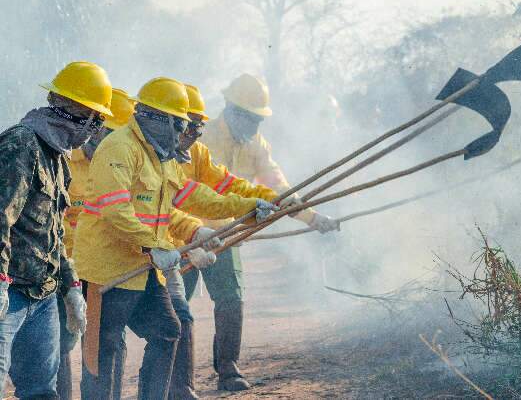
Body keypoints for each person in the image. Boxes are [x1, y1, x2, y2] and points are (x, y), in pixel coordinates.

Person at [73, 77, 278, 400]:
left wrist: (248, 207)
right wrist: (155, 245)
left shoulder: (159, 156)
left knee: (168, 330)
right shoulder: (119, 148)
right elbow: (115, 213)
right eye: (180, 124)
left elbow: (194, 198)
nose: (184, 134)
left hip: (143, 270)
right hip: (106, 273)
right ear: (157, 118)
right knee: (105, 350)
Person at [186, 74, 340, 391]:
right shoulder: (202, 138)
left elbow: (278, 187)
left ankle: (228, 367)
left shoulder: (257, 146)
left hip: (226, 235)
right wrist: (194, 233)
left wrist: (312, 218)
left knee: (231, 300)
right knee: (177, 308)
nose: (253, 125)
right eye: (248, 117)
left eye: (258, 119)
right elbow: (192, 190)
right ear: (230, 109)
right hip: (184, 234)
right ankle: (178, 379)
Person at [0, 61, 111, 399]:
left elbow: (52, 234)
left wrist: (70, 286)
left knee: (40, 392)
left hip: (42, 296)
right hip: (10, 296)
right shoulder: (22, 145)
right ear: (78, 112)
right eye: (98, 119)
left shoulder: (58, 156)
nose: (96, 128)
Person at [58, 88, 135, 400]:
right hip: (64, 266)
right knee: (60, 342)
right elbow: (52, 219)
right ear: (94, 127)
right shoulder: (62, 157)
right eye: (109, 135)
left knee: (107, 341)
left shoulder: (127, 164)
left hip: (106, 266)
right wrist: (67, 265)